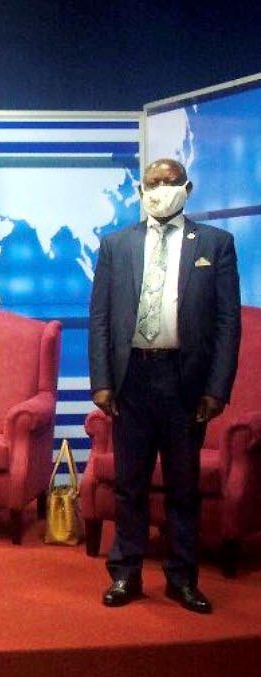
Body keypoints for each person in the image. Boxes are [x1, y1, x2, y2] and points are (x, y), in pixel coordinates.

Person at [89, 158, 241, 614]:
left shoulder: (216, 244)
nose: (160, 190)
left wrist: (217, 388)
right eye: (152, 184)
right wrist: (102, 381)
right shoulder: (116, 245)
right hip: (132, 378)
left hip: (185, 383)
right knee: (129, 485)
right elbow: (100, 318)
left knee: (183, 487)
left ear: (187, 188)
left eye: (169, 182)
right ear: (141, 190)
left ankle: (182, 578)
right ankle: (126, 574)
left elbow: (228, 323)